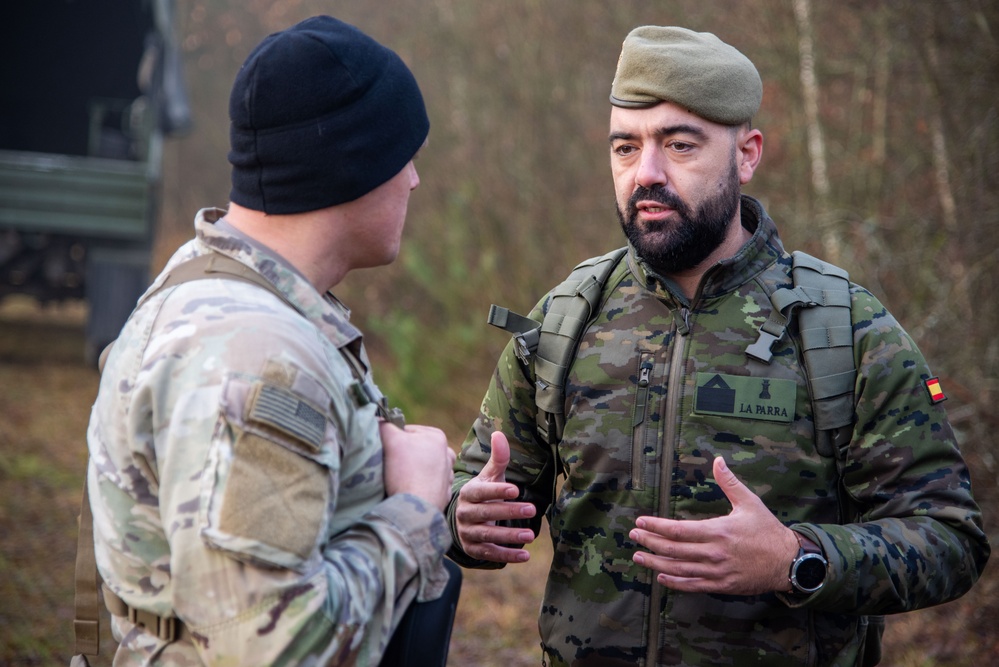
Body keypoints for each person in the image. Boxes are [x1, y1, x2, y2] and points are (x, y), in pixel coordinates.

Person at [446, 25, 990, 666]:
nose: (645, 173)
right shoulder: (566, 320)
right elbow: (477, 495)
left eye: (680, 145)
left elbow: (949, 539)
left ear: (747, 153)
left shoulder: (844, 330)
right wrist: (464, 520)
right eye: (625, 147)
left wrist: (796, 560)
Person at [85, 16, 456, 666]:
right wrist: (412, 509)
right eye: (405, 155)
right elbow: (274, 645)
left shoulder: (206, 279)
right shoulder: (259, 354)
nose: (414, 180)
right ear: (354, 162)